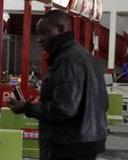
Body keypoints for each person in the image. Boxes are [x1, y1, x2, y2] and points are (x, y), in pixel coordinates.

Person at [7, 10, 108, 160]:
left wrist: (27, 108)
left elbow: (64, 109)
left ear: (61, 29)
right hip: (85, 141)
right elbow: (104, 102)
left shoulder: (67, 59)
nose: (39, 39)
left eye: (44, 33)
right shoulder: (83, 55)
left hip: (68, 146)